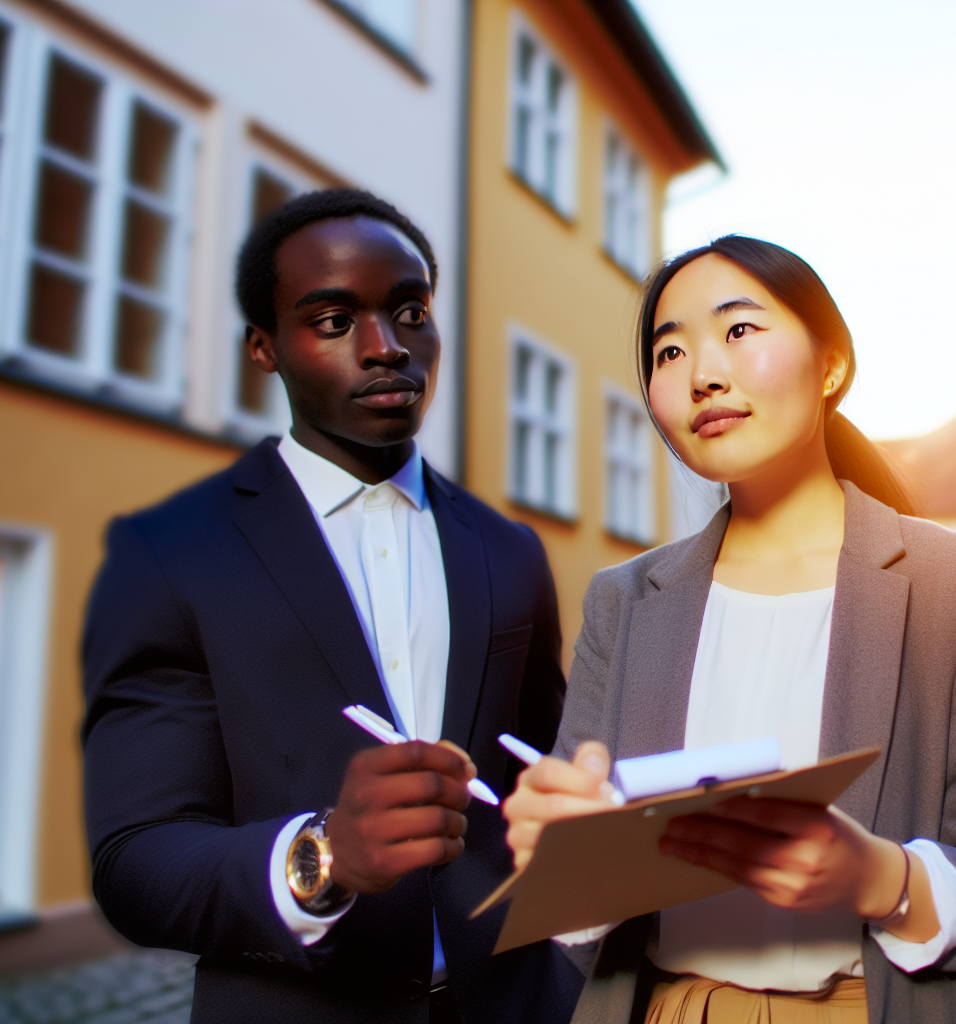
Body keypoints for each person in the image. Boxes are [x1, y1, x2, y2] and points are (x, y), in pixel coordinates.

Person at [501, 236, 956, 1024]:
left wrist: (882, 879)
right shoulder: (624, 602)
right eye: (669, 352)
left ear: (831, 365)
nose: (703, 375)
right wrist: (557, 855)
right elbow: (579, 913)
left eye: (738, 330)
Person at [82, 190, 583, 1024]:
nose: (387, 348)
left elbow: (536, 773)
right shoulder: (171, 552)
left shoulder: (509, 550)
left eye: (410, 311)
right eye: (333, 320)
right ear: (264, 347)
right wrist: (323, 854)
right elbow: (136, 862)